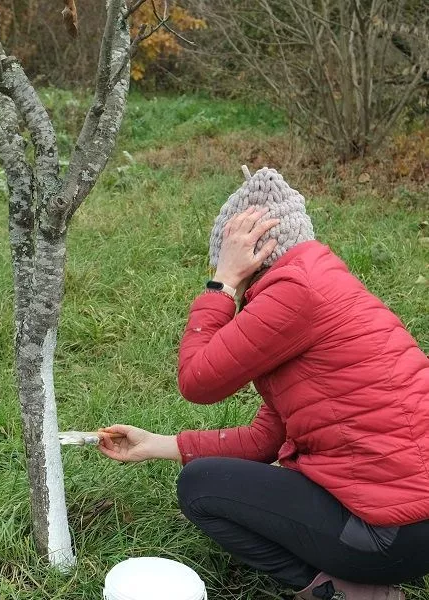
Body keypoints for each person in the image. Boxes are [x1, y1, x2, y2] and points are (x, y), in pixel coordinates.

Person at [97, 166, 429, 600]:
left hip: (386, 533)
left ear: (249, 255)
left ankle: (346, 591)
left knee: (201, 487)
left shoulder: (293, 293)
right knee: (216, 477)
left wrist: (222, 282)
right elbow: (264, 439)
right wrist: (155, 445)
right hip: (410, 525)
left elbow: (197, 381)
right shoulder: (327, 286)